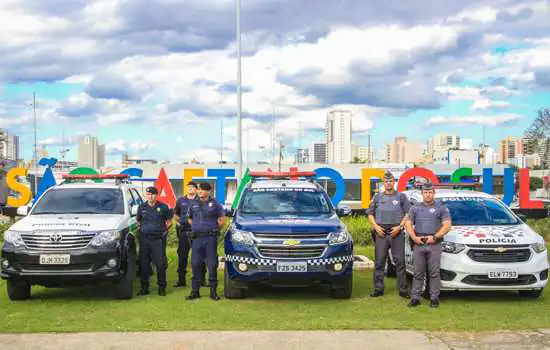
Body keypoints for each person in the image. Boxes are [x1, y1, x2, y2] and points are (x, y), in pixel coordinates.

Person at [404, 182, 452, 308]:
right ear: (422, 194)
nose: (428, 195)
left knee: (434, 272)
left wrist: (435, 237)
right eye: (425, 192)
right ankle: (415, 298)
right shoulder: (415, 208)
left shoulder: (441, 208)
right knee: (418, 272)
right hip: (419, 243)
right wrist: (414, 237)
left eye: (430, 192)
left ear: (433, 193)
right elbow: (408, 223)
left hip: (434, 243)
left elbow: (447, 225)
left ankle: (434, 298)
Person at [366, 171, 411, 299]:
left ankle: (403, 290)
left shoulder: (401, 197)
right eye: (386, 181)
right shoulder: (377, 197)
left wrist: (400, 226)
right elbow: (370, 213)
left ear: (394, 182)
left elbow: (409, 213)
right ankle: (378, 288)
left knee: (400, 262)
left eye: (390, 181)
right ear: (383, 183)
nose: (388, 183)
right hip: (381, 232)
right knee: (379, 262)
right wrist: (376, 227)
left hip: (396, 232)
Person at [186, 182, 226, 301]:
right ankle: (195, 291)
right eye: (199, 190)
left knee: (212, 264)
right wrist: (196, 226)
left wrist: (214, 229)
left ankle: (213, 292)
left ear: (209, 191)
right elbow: (189, 218)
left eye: (203, 190)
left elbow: (222, 219)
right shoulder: (193, 203)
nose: (200, 192)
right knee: (196, 264)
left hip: (210, 238)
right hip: (197, 238)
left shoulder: (215, 204)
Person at [136, 187, 172, 296]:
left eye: (152, 194)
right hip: (145, 239)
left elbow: (169, 221)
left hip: (158, 240)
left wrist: (164, 231)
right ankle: (144, 288)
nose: (150, 196)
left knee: (160, 264)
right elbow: (138, 221)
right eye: (148, 194)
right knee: (144, 264)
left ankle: (161, 288)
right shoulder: (141, 207)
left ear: (156, 195)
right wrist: (141, 229)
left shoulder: (163, 207)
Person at [173, 181, 207, 287]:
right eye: (188, 187)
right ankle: (181, 280)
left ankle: (201, 280)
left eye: (192, 188)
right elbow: (175, 214)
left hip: (197, 232)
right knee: (182, 256)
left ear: (196, 189)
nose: (190, 189)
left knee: (200, 256)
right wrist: (180, 222)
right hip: (184, 231)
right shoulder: (181, 200)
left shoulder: (200, 200)